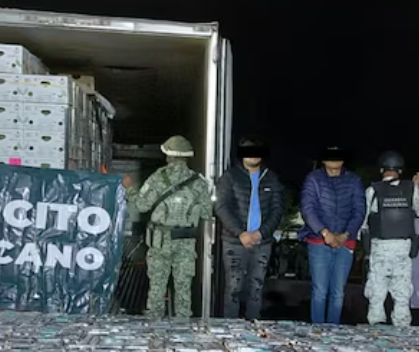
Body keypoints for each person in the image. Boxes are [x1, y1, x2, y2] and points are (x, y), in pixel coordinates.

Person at [124, 135, 210, 318]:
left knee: (157, 288)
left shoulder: (158, 178)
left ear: (168, 155)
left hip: (160, 241)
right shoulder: (199, 183)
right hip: (186, 242)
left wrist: (129, 188)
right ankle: (182, 328)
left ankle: (155, 328)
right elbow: (206, 213)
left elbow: (141, 205)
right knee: (184, 291)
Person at [215, 138, 284, 320]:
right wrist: (241, 233)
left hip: (262, 243)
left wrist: (261, 233)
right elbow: (221, 207)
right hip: (234, 242)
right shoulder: (230, 177)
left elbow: (277, 210)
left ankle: (253, 326)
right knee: (233, 288)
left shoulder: (271, 178)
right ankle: (230, 328)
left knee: (256, 287)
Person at [299, 145, 365, 324]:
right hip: (318, 241)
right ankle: (318, 331)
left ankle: (333, 331)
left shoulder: (354, 180)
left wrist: (346, 234)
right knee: (319, 291)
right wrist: (324, 232)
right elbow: (308, 208)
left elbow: (359, 211)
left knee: (338, 292)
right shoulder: (313, 179)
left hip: (346, 242)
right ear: (323, 160)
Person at [363, 151, 419, 327]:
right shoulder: (410, 188)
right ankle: (402, 326)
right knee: (402, 291)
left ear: (381, 169)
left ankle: (375, 326)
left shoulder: (372, 191)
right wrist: (417, 187)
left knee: (377, 290)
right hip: (402, 248)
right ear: (400, 170)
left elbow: (364, 222)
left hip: (379, 246)